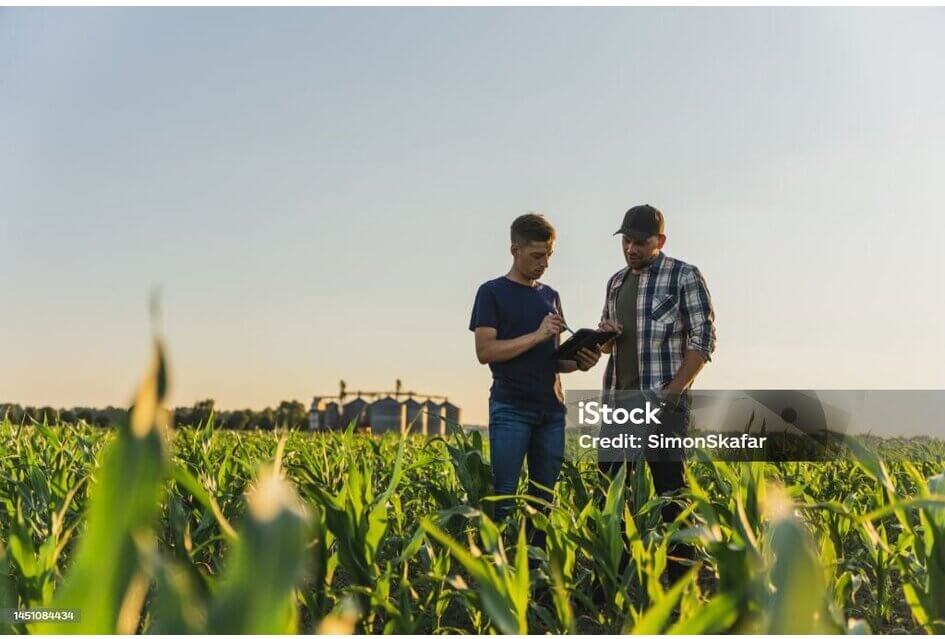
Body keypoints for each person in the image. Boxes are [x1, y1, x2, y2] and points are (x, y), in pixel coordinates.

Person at [597, 204, 717, 583]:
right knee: (611, 496)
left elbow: (705, 337)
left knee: (671, 495)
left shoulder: (684, 275)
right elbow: (607, 347)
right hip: (620, 402)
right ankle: (614, 580)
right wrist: (605, 336)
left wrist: (675, 389)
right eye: (626, 242)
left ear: (659, 241)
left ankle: (683, 582)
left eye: (640, 242)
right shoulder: (616, 282)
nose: (631, 249)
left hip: (663, 404)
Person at [469, 213, 601, 545]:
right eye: (537, 256)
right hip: (511, 408)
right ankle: (499, 575)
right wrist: (538, 333)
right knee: (505, 499)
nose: (544, 264)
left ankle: (538, 581)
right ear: (515, 250)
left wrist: (582, 362)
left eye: (549, 256)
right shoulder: (491, 292)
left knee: (544, 500)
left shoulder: (551, 295)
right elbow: (485, 352)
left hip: (551, 412)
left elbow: (553, 362)